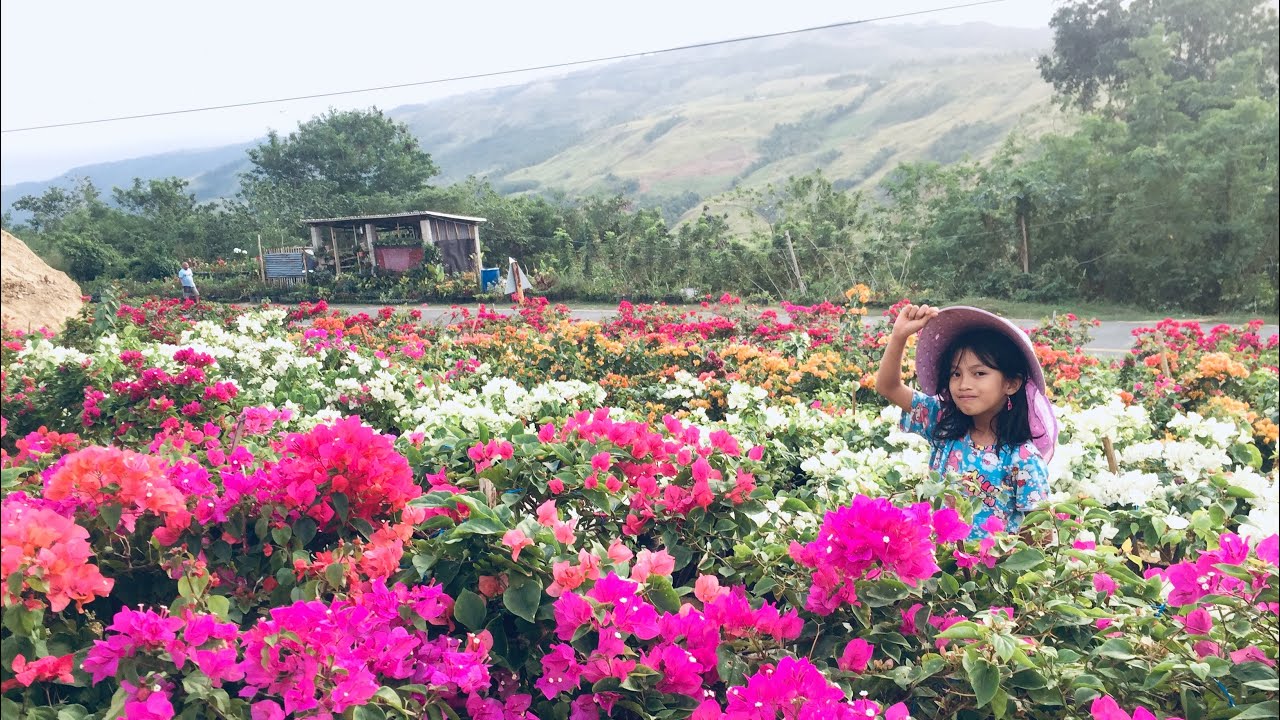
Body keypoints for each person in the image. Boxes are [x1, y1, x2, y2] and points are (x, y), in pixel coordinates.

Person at [875, 304, 1058, 537]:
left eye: (979, 373)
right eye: (956, 373)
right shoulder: (942, 421)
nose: (964, 385)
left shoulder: (1023, 458)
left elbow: (1040, 535)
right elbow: (888, 387)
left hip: (987, 571)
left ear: (1011, 383)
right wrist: (899, 336)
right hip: (937, 565)